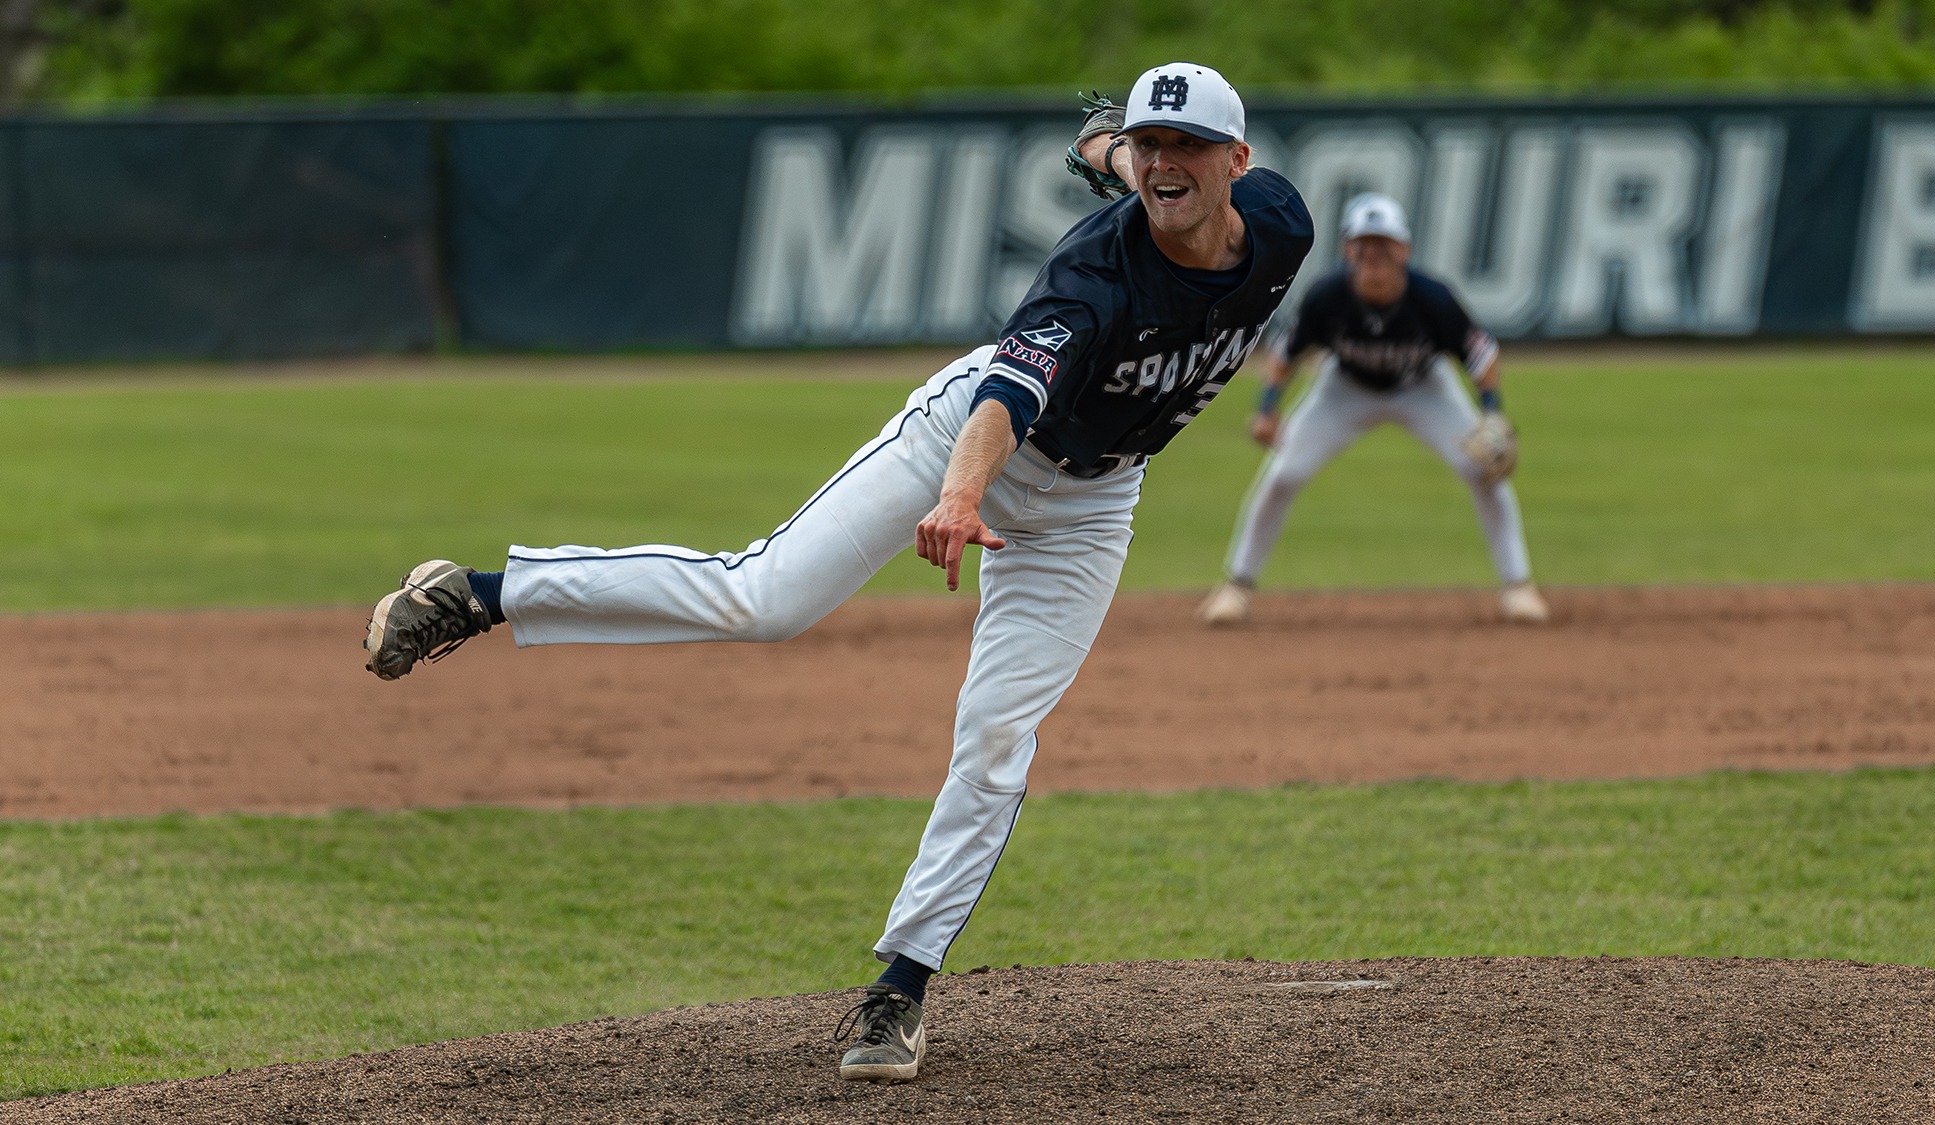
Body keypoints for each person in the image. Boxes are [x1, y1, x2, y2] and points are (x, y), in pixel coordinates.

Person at [361, 62, 1312, 1083]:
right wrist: (956, 497)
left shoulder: (1280, 224)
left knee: (997, 734)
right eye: (1151, 145)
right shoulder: (1092, 271)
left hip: (1090, 503)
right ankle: (483, 592)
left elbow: (1129, 160)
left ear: (1237, 163)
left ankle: (899, 988)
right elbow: (1008, 392)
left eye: (1187, 147)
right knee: (762, 597)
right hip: (967, 439)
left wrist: (1109, 148)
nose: (1166, 163)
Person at [1197, 192, 1548, 627]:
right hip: (1344, 387)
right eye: (1364, 245)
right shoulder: (1328, 296)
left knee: (1483, 469)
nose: (1373, 255)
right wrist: (1267, 409)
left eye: (1384, 245)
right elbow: (1287, 355)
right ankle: (1236, 586)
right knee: (1284, 473)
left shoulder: (1433, 299)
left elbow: (1481, 356)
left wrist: (1492, 413)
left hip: (1424, 387)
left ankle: (1519, 586)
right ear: (1348, 250)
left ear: (1405, 251)